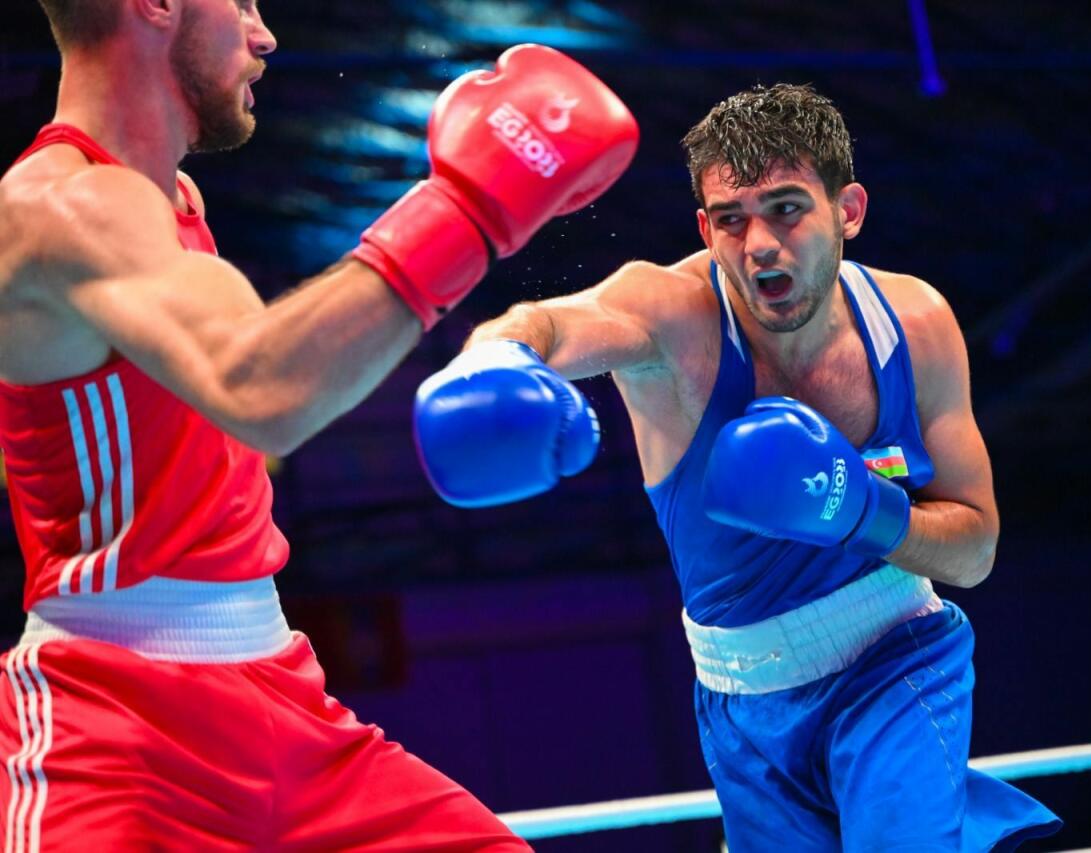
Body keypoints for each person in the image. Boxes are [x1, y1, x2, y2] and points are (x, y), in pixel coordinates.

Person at [0, 0, 638, 846]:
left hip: (280, 696)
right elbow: (259, 388)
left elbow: (249, 395)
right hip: (115, 729)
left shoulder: (169, 201)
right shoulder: (61, 203)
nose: (264, 34)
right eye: (241, 2)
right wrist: (469, 209)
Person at [415, 84, 1063, 850]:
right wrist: (496, 359)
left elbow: (975, 550)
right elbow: (549, 323)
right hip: (741, 700)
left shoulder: (914, 324)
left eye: (786, 209)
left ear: (848, 211)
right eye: (731, 218)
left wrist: (861, 509)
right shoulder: (671, 316)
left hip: (899, 657)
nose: (758, 243)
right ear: (704, 227)